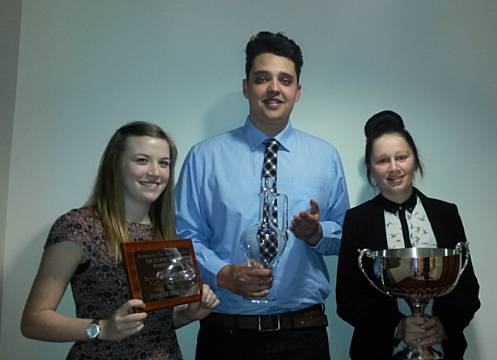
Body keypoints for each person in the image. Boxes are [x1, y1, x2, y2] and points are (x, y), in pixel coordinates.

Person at [175, 31, 349, 360]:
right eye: (262, 78)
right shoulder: (204, 157)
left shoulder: (326, 157)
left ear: (297, 92)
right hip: (226, 334)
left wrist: (318, 234)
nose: (273, 88)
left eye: (285, 80)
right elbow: (183, 237)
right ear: (246, 87)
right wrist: (223, 274)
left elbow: (346, 234)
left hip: (303, 336)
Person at [21, 121, 220, 360]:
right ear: (115, 165)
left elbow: (153, 323)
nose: (155, 172)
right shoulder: (79, 227)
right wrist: (102, 329)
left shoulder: (167, 233)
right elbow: (33, 320)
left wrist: (189, 314)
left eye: (163, 163)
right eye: (142, 160)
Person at [336, 110, 480, 360]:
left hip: (443, 351)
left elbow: (467, 286)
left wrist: (444, 325)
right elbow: (348, 298)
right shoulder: (357, 221)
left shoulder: (446, 214)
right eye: (382, 161)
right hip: (378, 352)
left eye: (401, 157)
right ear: (370, 167)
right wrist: (397, 327)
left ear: (414, 159)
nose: (393, 168)